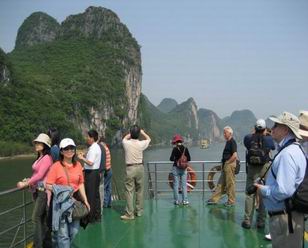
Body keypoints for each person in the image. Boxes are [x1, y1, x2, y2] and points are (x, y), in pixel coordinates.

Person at [256, 111, 306, 248]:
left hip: (285, 218)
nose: (272, 128)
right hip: (291, 215)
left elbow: (284, 190)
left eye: (276, 125)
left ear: (285, 130)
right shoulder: (297, 150)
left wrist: (263, 190)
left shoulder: (287, 155)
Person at [46, 138, 90, 247]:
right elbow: (48, 184)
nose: (69, 150)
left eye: (72, 148)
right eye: (66, 149)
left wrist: (85, 200)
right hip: (60, 204)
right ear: (61, 151)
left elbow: (80, 183)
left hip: (74, 202)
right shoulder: (56, 166)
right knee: (63, 235)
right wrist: (62, 190)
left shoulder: (78, 165)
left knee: (74, 231)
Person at [16, 133, 53, 248]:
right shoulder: (40, 157)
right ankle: (46, 244)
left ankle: (38, 245)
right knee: (42, 219)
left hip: (43, 191)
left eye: (39, 143)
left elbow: (41, 174)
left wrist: (26, 183)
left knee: (35, 218)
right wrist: (29, 179)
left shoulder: (47, 158)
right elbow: (37, 174)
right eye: (36, 143)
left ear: (45, 145)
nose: (36, 144)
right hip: (37, 190)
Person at [241, 119, 275, 229]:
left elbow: (247, 142)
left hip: (252, 169)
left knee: (250, 194)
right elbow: (273, 147)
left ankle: (247, 221)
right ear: (264, 129)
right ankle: (261, 222)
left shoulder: (248, 138)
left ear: (254, 128)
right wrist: (266, 134)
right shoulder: (269, 139)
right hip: (264, 168)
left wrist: (254, 133)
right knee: (263, 194)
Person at [121, 125, 151, 220]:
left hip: (130, 168)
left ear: (130, 133)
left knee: (129, 191)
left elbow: (125, 138)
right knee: (140, 190)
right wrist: (142, 132)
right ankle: (139, 211)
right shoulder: (141, 144)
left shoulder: (126, 143)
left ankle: (129, 214)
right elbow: (149, 139)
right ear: (138, 134)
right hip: (140, 168)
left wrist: (131, 133)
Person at [207, 126, 238, 206]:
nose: (224, 134)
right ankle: (214, 199)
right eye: (223, 132)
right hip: (225, 165)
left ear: (230, 133)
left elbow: (235, 155)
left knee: (230, 184)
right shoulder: (228, 142)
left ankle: (231, 201)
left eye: (225, 133)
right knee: (220, 183)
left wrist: (228, 163)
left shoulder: (232, 142)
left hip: (229, 165)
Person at [78, 129, 102, 223]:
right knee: (96, 195)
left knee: (90, 196)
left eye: (88, 137)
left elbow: (90, 163)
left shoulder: (93, 148)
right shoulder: (96, 147)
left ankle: (90, 218)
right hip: (96, 173)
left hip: (91, 174)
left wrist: (81, 158)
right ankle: (97, 215)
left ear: (92, 138)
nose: (87, 138)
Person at [169, 134, 191, 205]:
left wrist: (176, 158)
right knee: (184, 185)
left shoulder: (175, 149)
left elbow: (171, 159)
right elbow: (189, 158)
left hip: (176, 168)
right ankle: (185, 200)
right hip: (184, 169)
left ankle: (177, 201)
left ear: (175, 142)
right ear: (181, 141)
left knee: (176, 185)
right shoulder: (185, 148)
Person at [99, 137, 113, 208]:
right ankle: (109, 203)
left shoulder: (102, 149)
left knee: (103, 187)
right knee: (108, 187)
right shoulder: (107, 148)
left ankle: (104, 203)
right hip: (109, 170)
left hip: (106, 171)